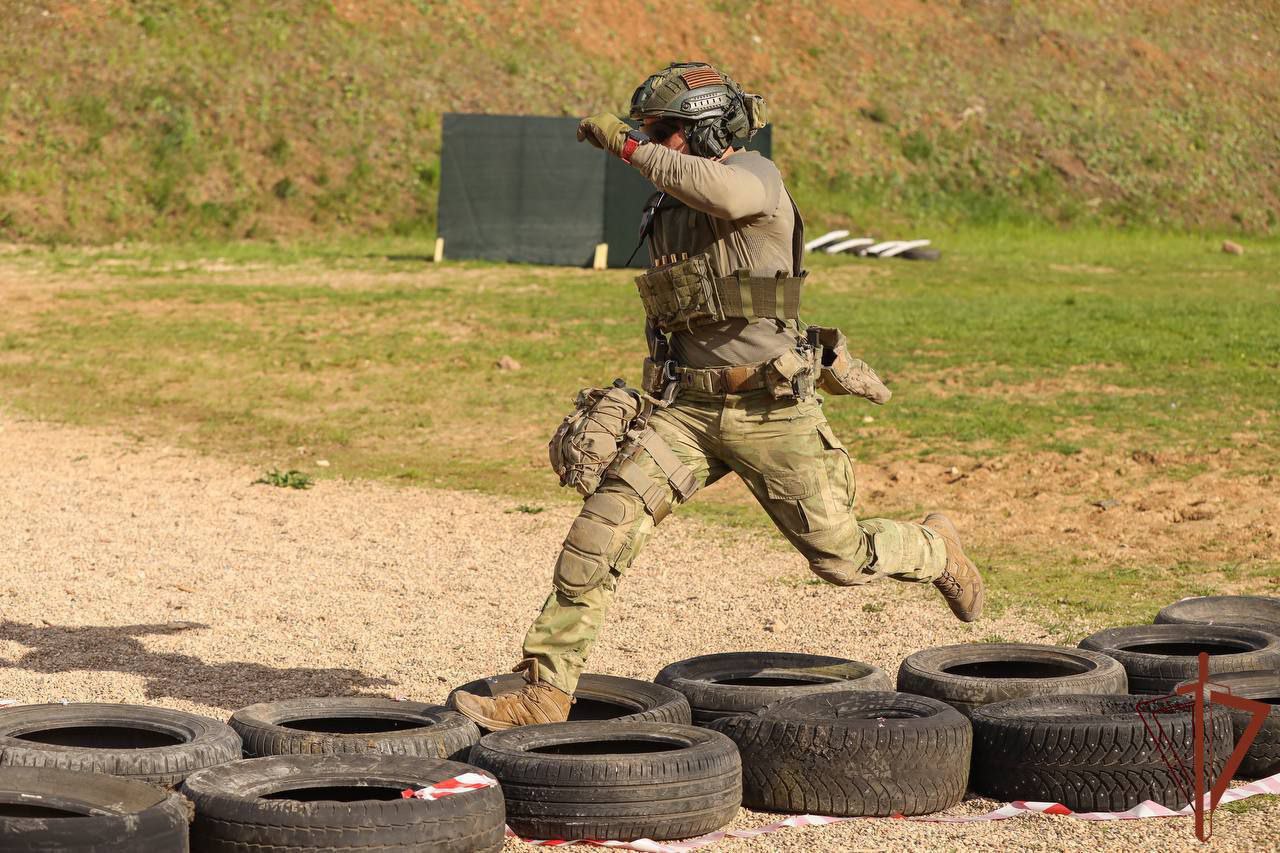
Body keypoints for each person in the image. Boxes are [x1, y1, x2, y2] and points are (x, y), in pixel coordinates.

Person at [453, 62, 984, 730]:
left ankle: (936, 548)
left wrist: (625, 144)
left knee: (841, 559)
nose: (655, 143)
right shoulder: (669, 203)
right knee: (597, 538)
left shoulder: (753, 177)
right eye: (648, 131)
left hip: (772, 411)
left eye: (665, 131)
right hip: (688, 412)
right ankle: (543, 692)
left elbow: (721, 194)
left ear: (705, 131)